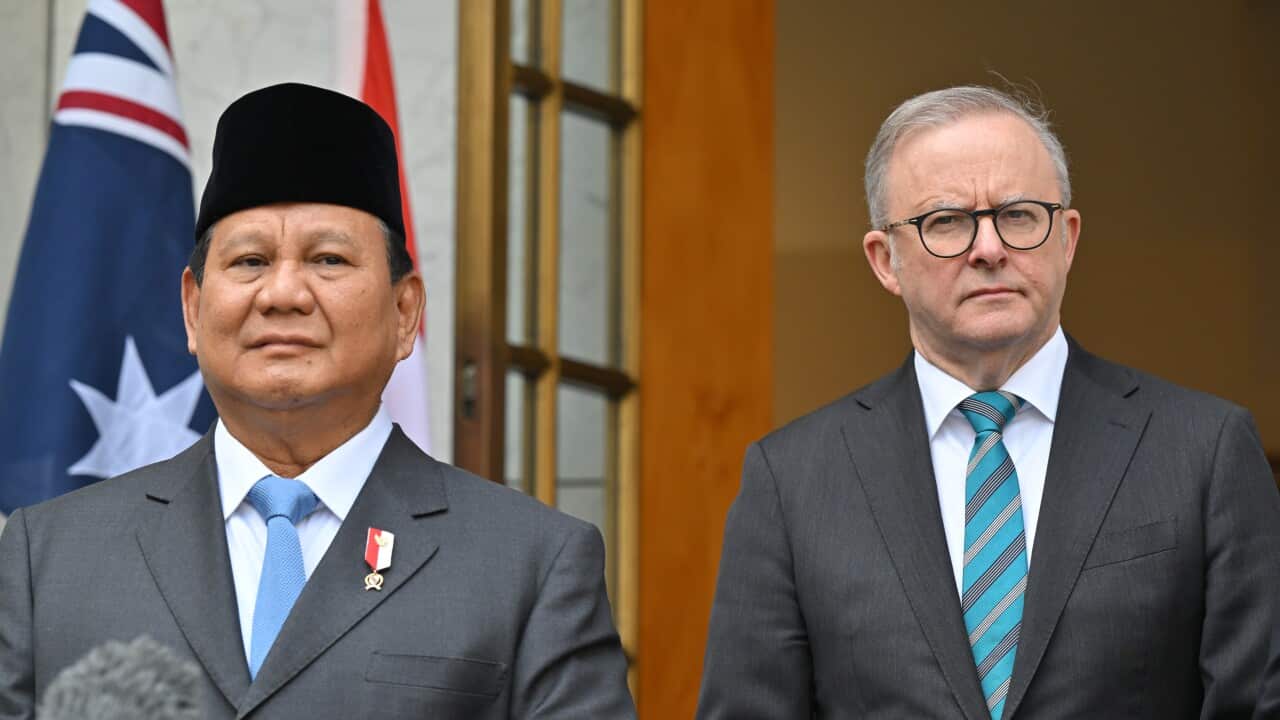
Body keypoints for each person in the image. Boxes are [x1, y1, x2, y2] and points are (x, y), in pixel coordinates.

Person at [0, 83, 635, 719]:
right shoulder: (48, 557)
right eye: (250, 261)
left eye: (328, 259)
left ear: (404, 312)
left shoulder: (531, 564)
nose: (282, 294)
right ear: (192, 309)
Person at [697, 85, 1280, 719]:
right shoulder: (793, 481)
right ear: (885, 261)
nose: (989, 249)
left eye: (1019, 215)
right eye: (946, 221)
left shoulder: (1204, 450)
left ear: (1067, 239)